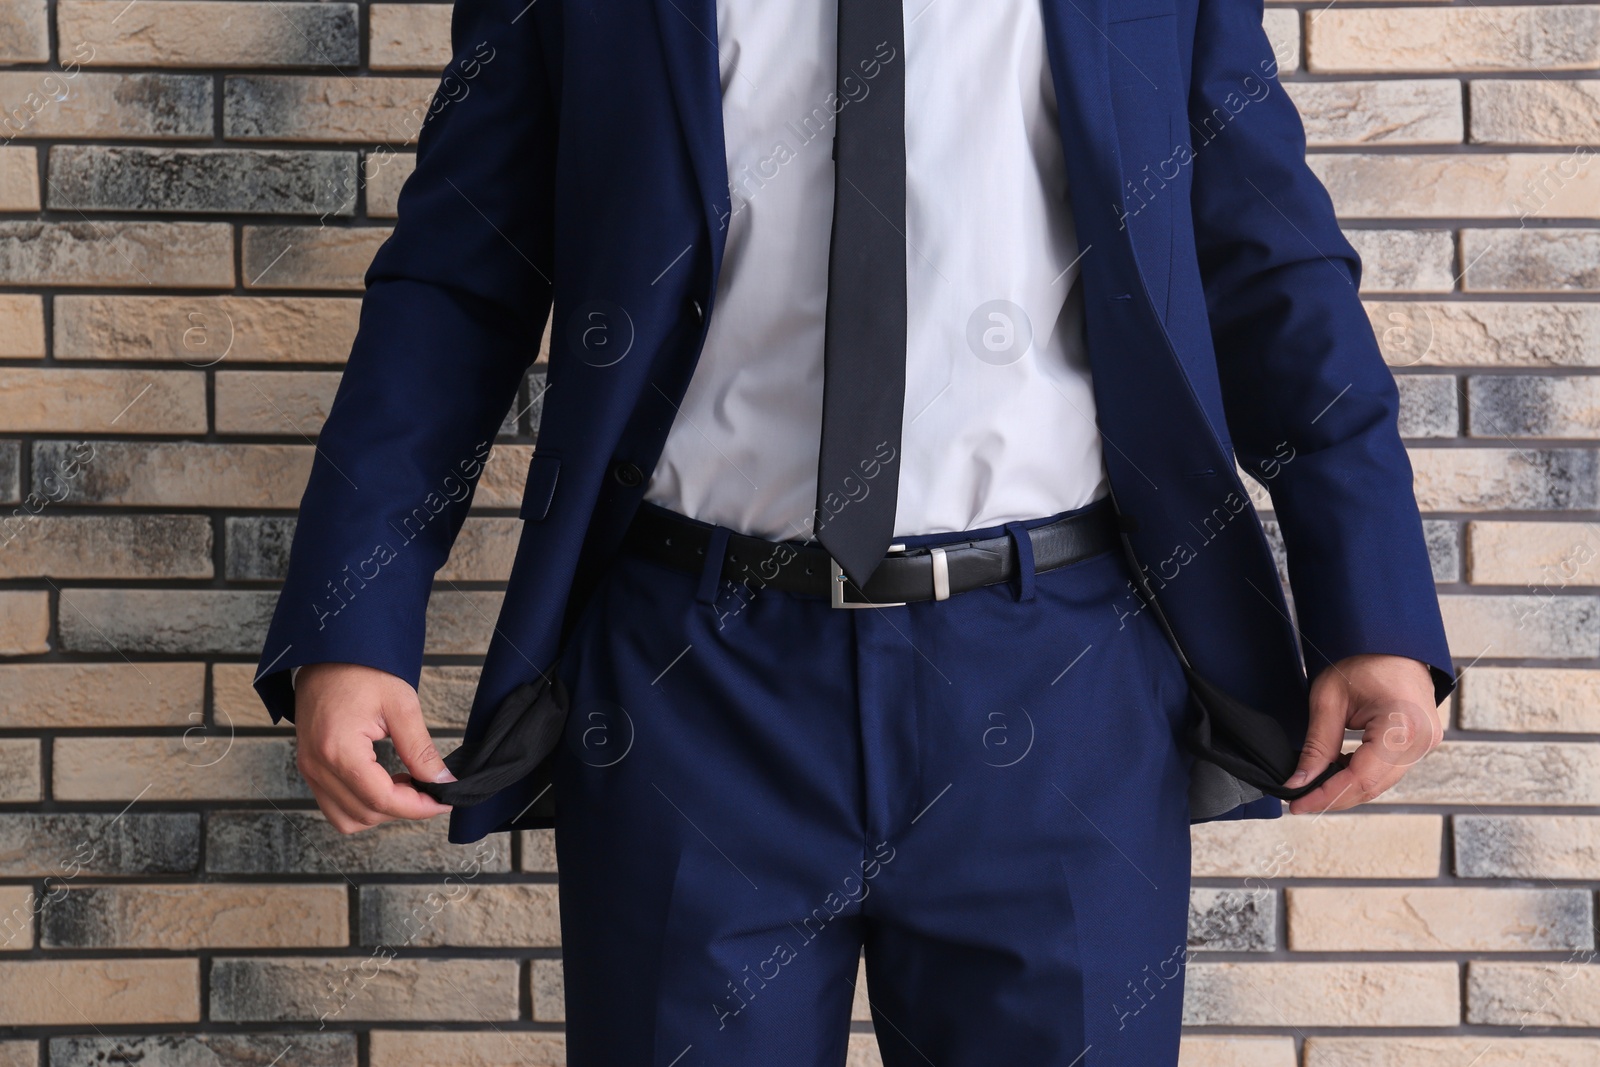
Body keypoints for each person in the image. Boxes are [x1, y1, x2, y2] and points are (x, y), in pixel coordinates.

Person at [254, 0, 1455, 1062]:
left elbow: (1266, 265)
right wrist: (354, 619)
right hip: (694, 690)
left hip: (1061, 690)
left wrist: (1372, 600)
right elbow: (462, 279)